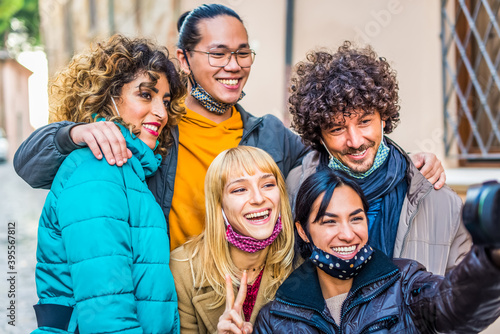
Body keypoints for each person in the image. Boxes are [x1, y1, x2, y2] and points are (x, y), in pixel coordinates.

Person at [14, 5, 443, 250]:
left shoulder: (272, 135)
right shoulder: (156, 128)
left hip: (255, 308)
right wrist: (71, 134)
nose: (233, 66)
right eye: (217, 53)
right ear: (184, 59)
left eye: (243, 53)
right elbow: (29, 167)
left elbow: (343, 152)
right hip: (175, 304)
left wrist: (408, 160)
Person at [32, 35, 185, 333]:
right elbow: (105, 311)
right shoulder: (100, 167)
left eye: (165, 101)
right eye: (145, 95)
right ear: (108, 97)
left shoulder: (131, 169)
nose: (162, 113)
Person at [286, 42, 471, 275]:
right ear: (319, 135)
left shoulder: (439, 200)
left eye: (364, 122)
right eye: (337, 129)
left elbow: (468, 299)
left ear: (383, 118)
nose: (355, 141)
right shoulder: (295, 188)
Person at [254, 169, 500, 333]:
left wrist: (491, 256)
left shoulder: (404, 284)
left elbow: (455, 304)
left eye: (356, 219)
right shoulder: (276, 318)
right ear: (303, 231)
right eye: (329, 222)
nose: (348, 234)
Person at [170, 146, 295, 334]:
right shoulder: (182, 269)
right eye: (240, 189)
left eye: (268, 185)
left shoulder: (300, 263)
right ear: (218, 204)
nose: (259, 198)